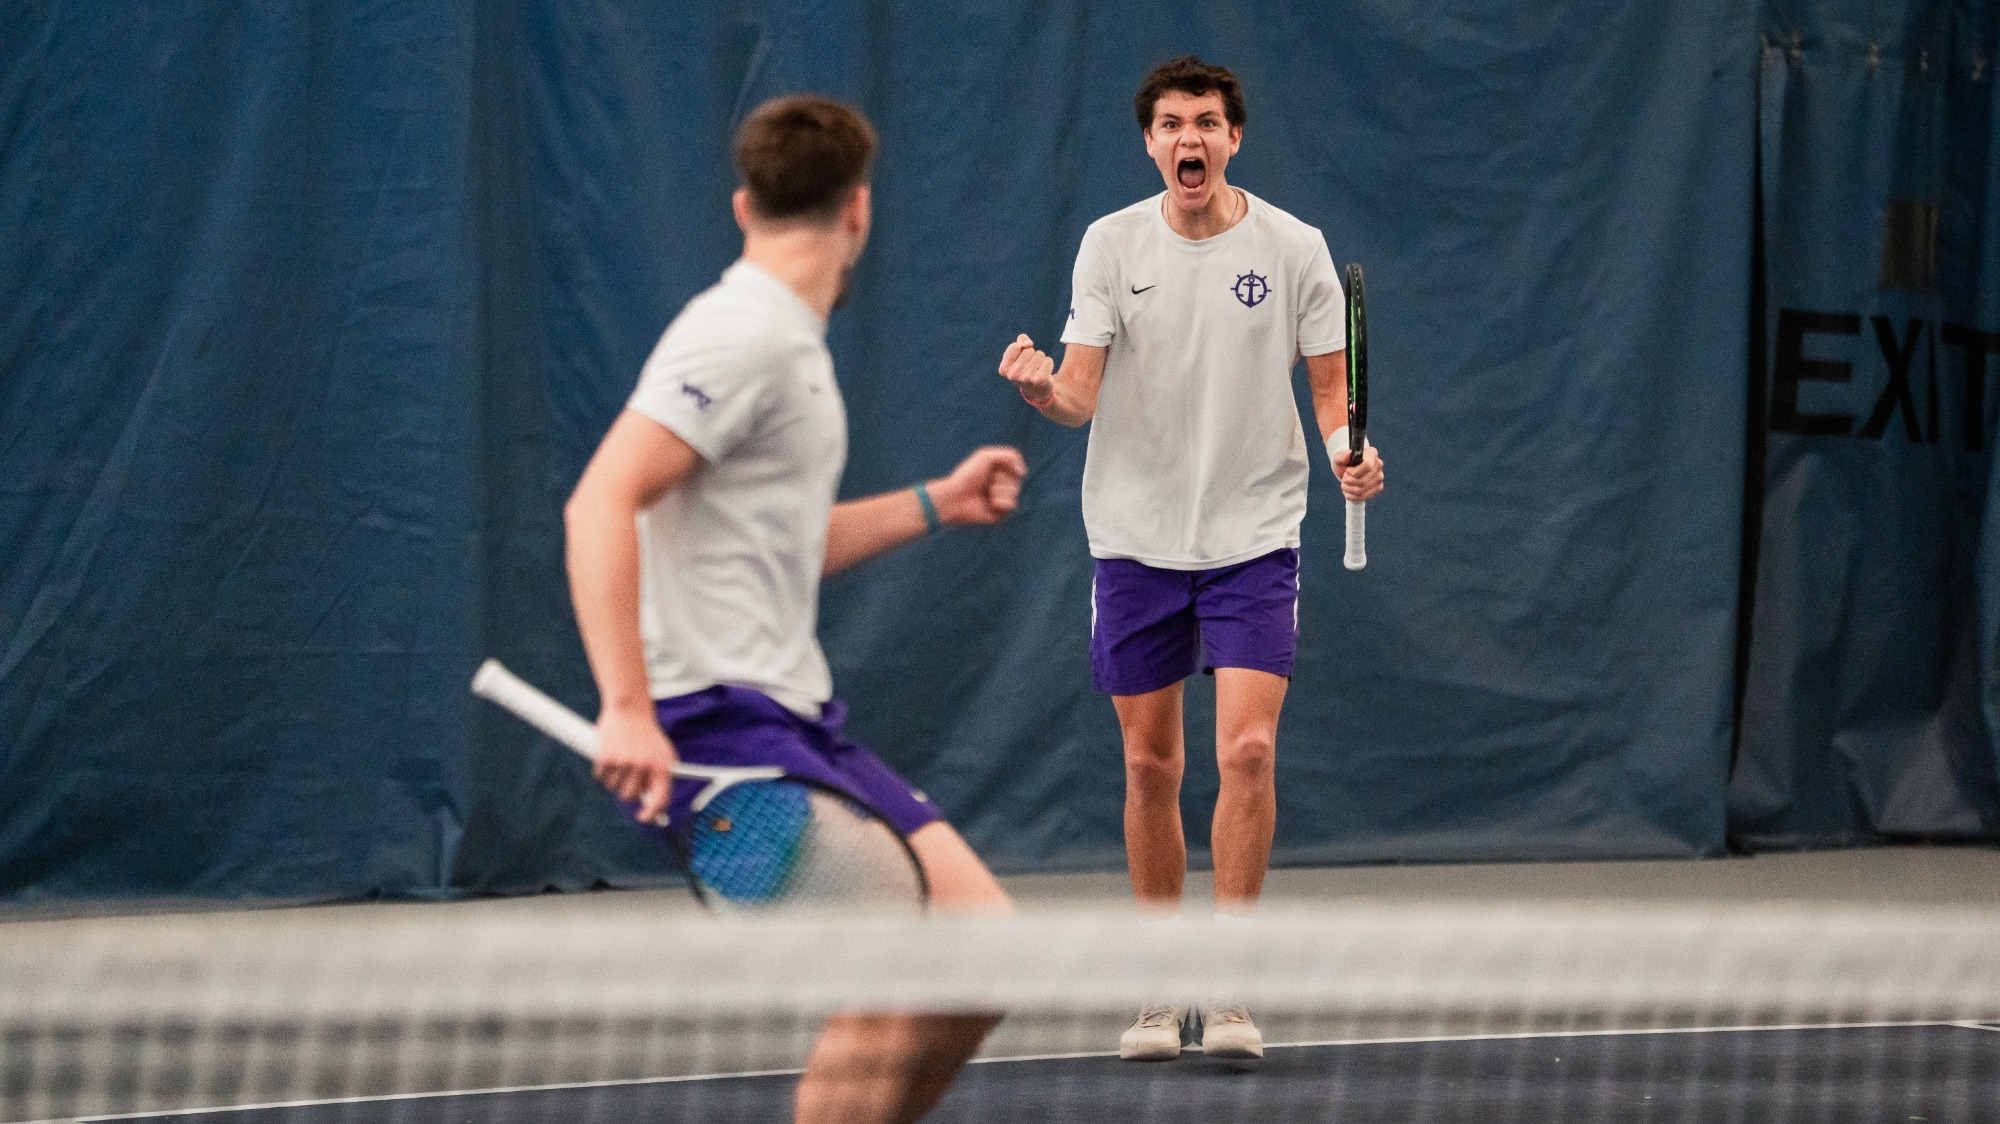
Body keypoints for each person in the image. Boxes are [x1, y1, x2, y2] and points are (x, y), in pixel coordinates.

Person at [565, 94, 1022, 1124]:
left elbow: (784, 547)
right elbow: (599, 498)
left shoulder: (788, 346)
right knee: (879, 983)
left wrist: (933, 503)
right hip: (716, 731)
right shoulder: (737, 335)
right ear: (858, 211)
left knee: (981, 953)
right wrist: (626, 704)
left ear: (741, 205)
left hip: (792, 719)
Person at [997, 56, 1386, 1062]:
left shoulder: (1294, 246)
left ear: (1233, 138)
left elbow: (1333, 392)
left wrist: (1350, 452)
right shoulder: (1108, 245)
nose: (1189, 140)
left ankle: (1232, 984)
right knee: (1148, 761)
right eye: (1170, 124)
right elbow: (1080, 392)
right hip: (1132, 537)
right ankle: (1158, 984)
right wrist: (1042, 391)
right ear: (1148, 143)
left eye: (1206, 123)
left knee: (1247, 751)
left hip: (1254, 532)